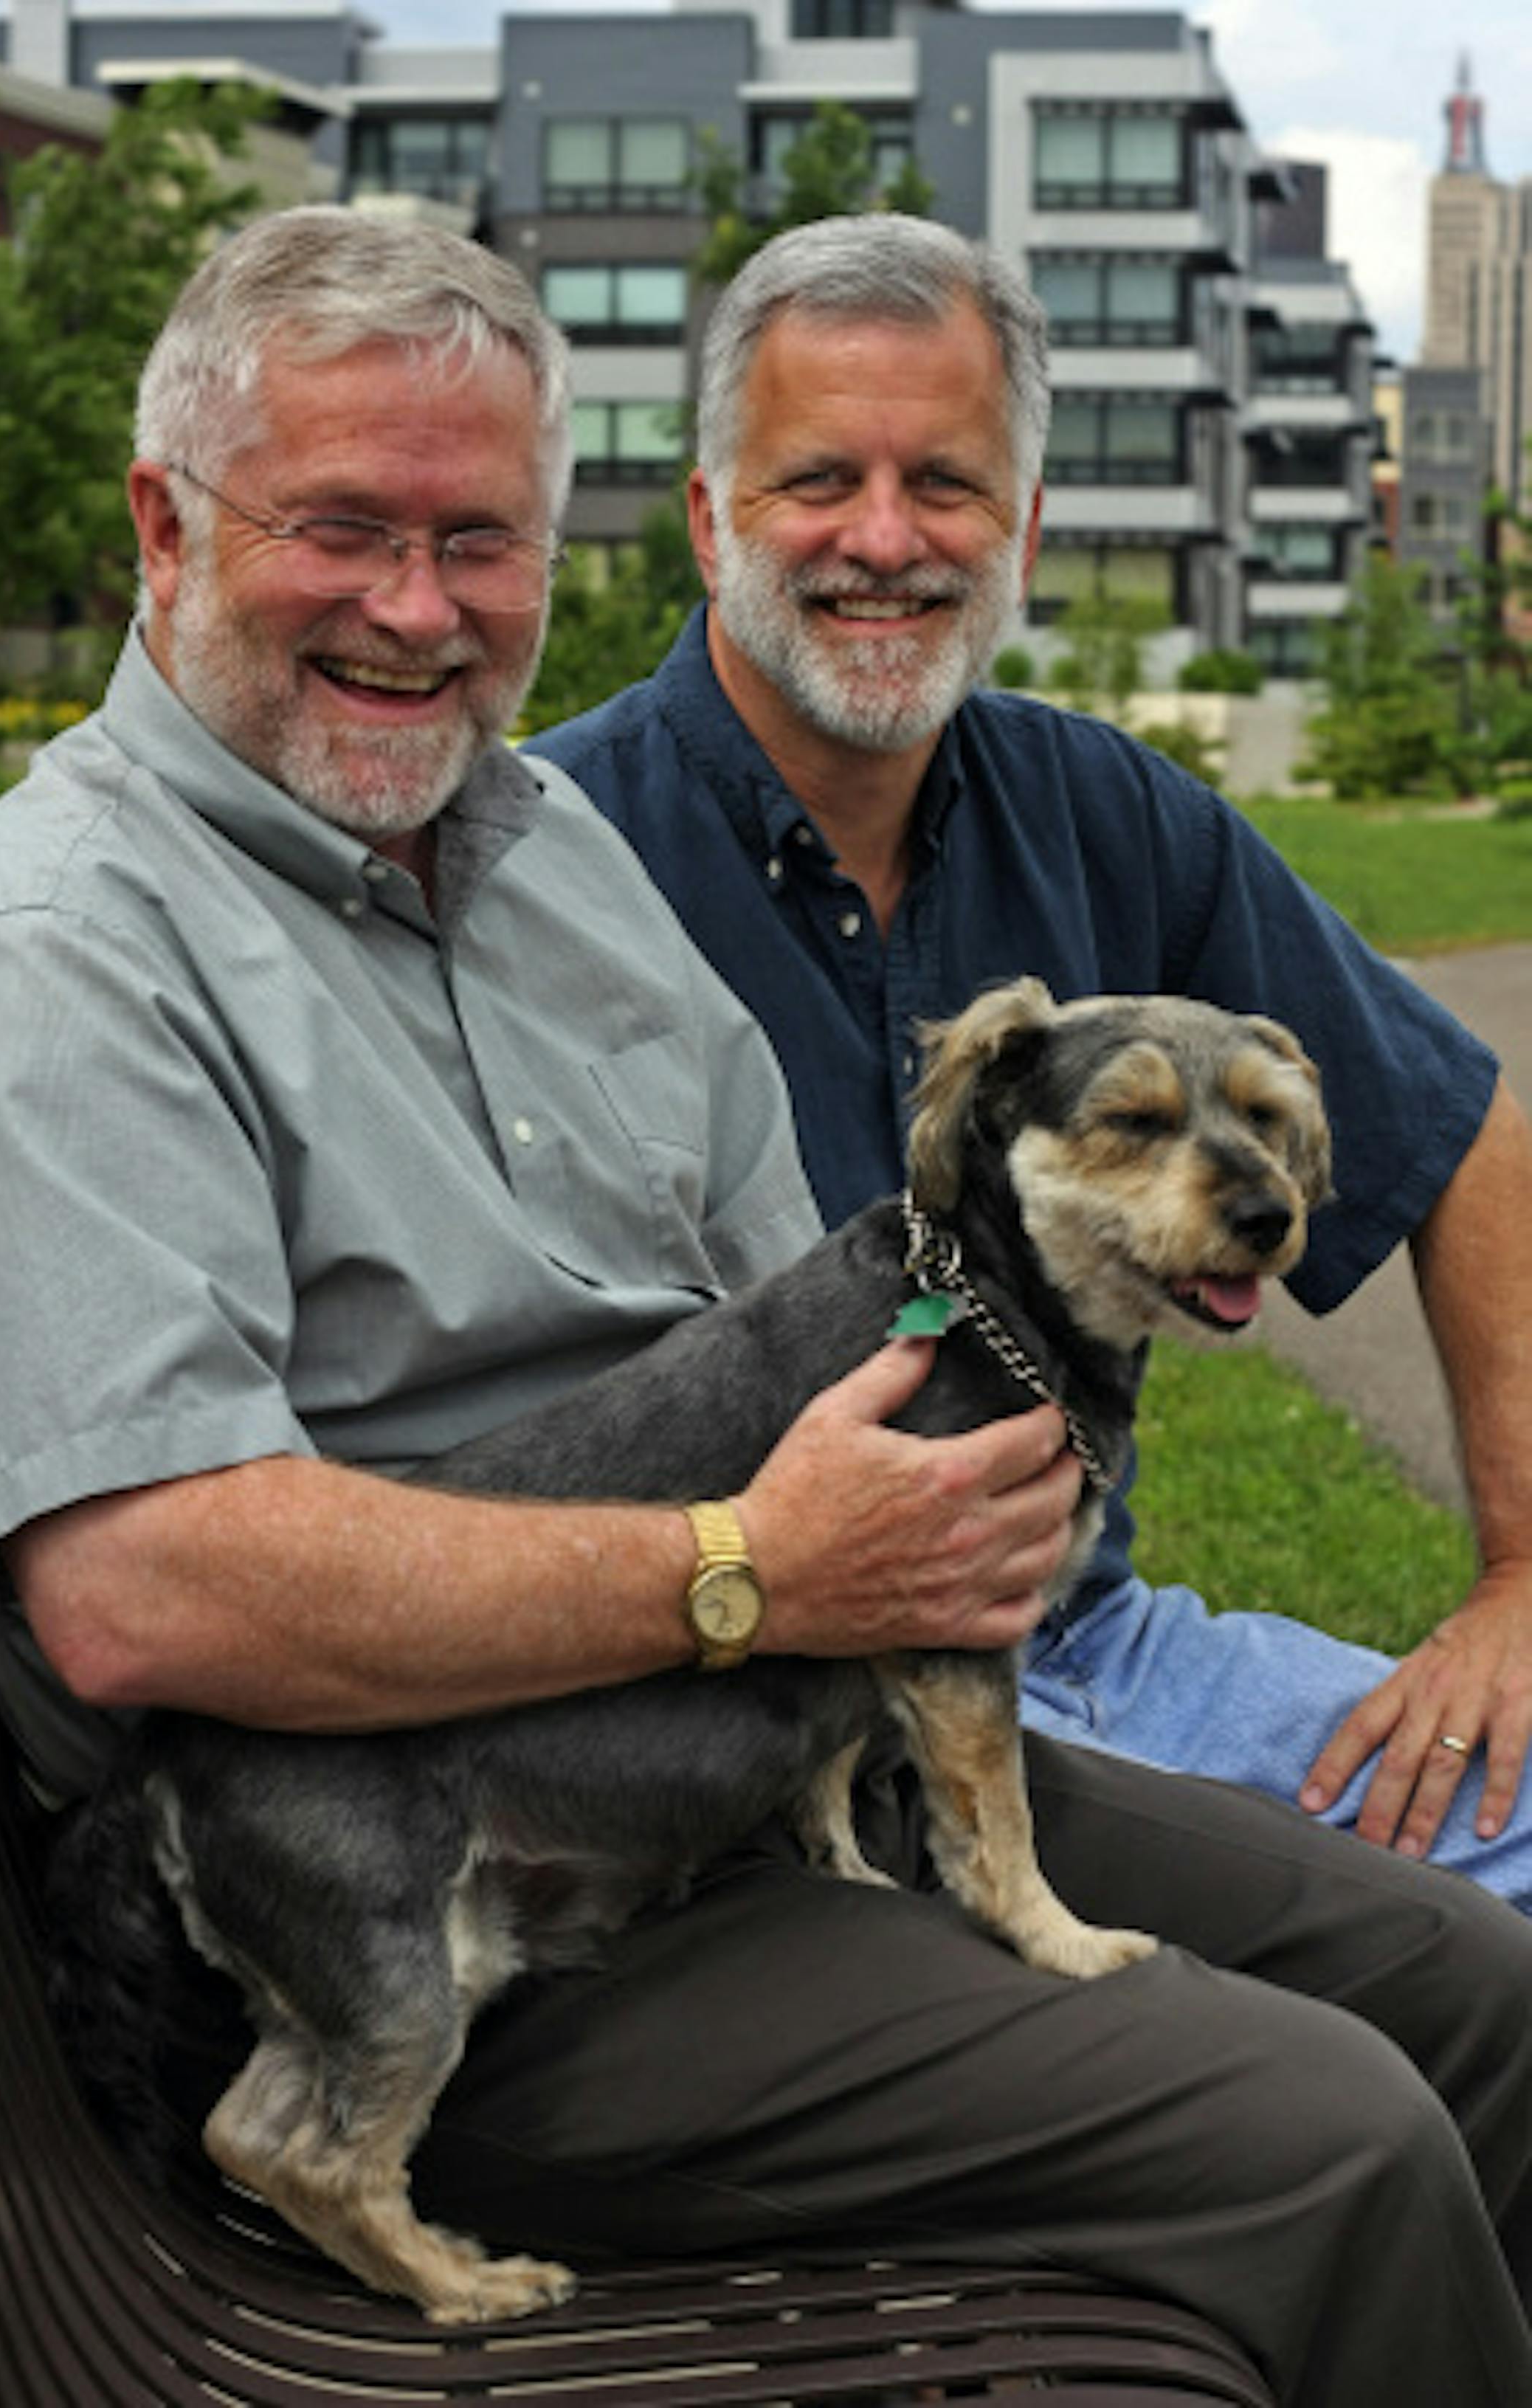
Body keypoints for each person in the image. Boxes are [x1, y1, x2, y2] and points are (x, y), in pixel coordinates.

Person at [0, 206, 1530, 2408]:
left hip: (797, 1764)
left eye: (479, 540)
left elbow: (837, 1321)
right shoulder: (53, 956)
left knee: (1470, 1981)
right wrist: (739, 1573)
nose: (419, 609)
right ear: (163, 520)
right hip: (470, 1916)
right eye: (343, 528)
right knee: (1326, 2145)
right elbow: (142, 1597)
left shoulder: (532, 851)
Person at [525, 211, 1532, 1908]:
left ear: (1026, 529)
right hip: (741, 1720)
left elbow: (1469, 1138)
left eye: (948, 486)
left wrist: (1520, 1584)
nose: (884, 540)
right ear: (709, 522)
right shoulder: (540, 858)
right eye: (817, 480)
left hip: (1093, 1651)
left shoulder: (1111, 814)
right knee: (1387, 1992)